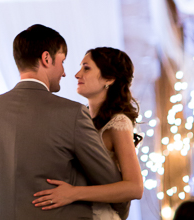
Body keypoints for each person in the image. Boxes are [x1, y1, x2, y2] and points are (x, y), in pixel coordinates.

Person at [0, 25, 128, 220]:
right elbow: (112, 183)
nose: (64, 72)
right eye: (62, 62)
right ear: (46, 58)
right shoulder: (73, 113)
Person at [33, 46, 143, 219]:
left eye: (86, 68)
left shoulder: (118, 123)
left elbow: (135, 188)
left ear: (109, 78)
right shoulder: (80, 119)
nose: (77, 75)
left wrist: (73, 193)